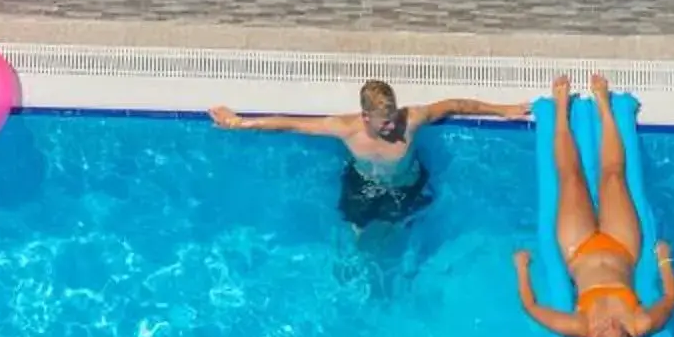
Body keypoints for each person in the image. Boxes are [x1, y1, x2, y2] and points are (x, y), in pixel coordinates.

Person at [512, 75, 674, 337]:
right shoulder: (641, 323)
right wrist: (664, 260)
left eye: (606, 335)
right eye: (618, 334)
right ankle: (604, 106)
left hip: (579, 249)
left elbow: (531, 307)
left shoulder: (580, 326)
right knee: (614, 175)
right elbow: (672, 297)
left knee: (571, 178)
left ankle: (560, 109)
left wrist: (522, 269)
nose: (612, 327)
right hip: (622, 246)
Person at [209, 81, 522, 230]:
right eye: (384, 121)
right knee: (358, 234)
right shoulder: (346, 128)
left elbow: (455, 105)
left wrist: (503, 110)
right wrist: (239, 123)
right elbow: (290, 124)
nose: (392, 126)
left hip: (406, 185)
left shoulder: (410, 119)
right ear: (365, 115)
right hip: (362, 185)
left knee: (401, 234)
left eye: (393, 117)